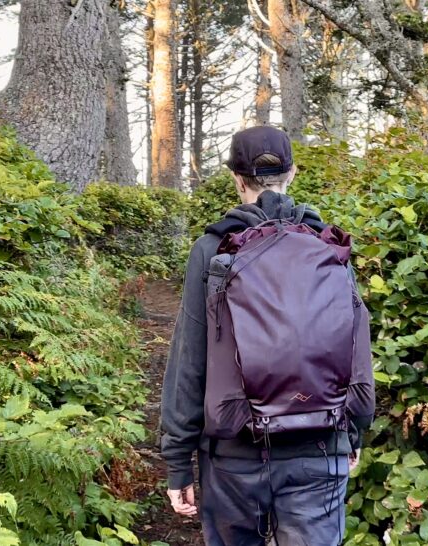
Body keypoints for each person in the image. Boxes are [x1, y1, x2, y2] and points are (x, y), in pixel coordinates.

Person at [160, 125, 374, 546]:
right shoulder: (328, 244)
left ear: (236, 179)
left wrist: (178, 462)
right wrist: (353, 431)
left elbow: (191, 358)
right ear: (291, 174)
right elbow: (352, 346)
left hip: (234, 454)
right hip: (320, 442)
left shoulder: (214, 249)